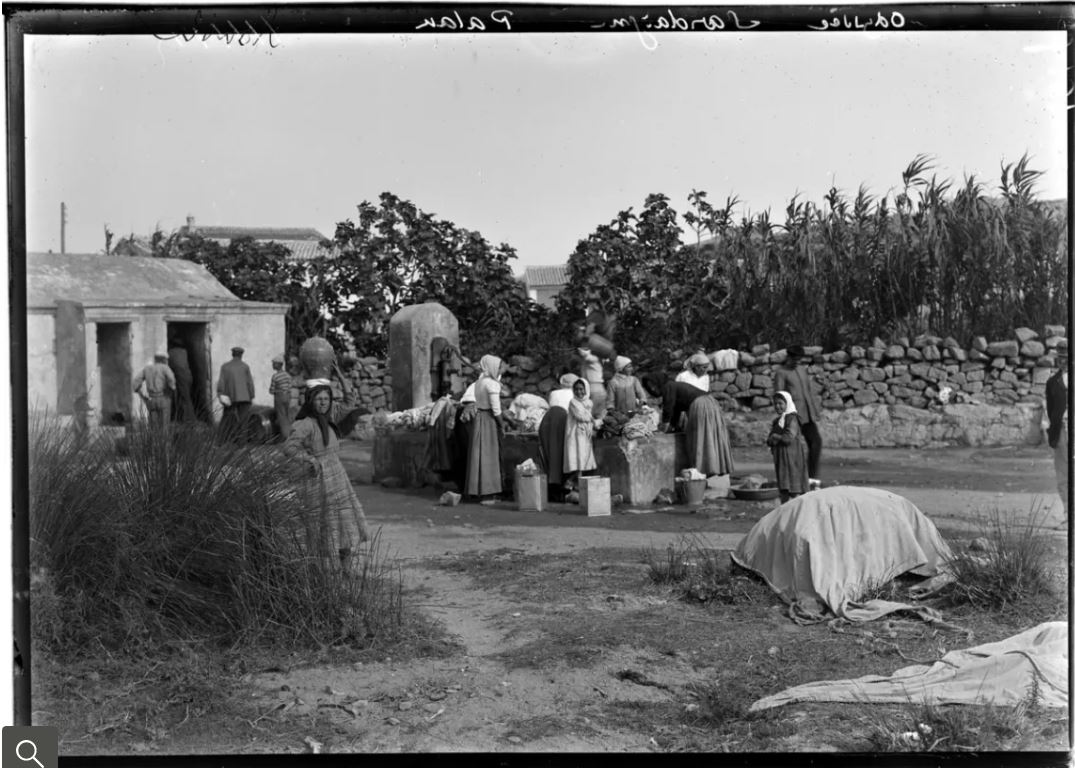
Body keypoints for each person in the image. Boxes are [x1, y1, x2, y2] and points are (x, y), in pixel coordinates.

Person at [283, 383, 370, 570]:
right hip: (319, 479)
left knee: (344, 519)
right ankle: (326, 573)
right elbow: (289, 447)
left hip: (338, 476)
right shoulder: (305, 424)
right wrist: (308, 459)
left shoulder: (330, 417)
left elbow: (349, 403)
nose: (323, 403)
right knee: (325, 522)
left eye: (326, 399)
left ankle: (346, 570)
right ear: (311, 401)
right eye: (319, 399)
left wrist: (341, 379)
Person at [774, 345, 823, 489]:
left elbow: (808, 391)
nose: (797, 362)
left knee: (816, 443)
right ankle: (793, 481)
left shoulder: (801, 370)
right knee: (793, 449)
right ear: (788, 357)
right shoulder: (781, 373)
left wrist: (814, 411)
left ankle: (811, 478)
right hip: (792, 416)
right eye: (795, 359)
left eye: (799, 359)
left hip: (807, 415)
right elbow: (779, 396)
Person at [466, 355, 505, 504]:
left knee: (478, 455)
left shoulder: (479, 382)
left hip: (479, 418)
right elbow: (496, 409)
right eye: (499, 366)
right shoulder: (492, 385)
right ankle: (488, 494)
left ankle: (477, 491)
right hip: (488, 420)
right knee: (489, 456)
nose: (500, 369)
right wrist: (502, 426)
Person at [766, 391, 810, 503]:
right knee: (784, 484)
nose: (777, 406)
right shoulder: (778, 421)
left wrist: (775, 436)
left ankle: (797, 507)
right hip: (781, 457)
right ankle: (785, 508)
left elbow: (788, 437)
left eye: (781, 403)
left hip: (792, 456)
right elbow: (769, 440)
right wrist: (773, 438)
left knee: (794, 482)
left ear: (788, 404)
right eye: (775, 404)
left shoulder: (792, 419)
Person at [539, 373, 577, 502]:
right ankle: (564, 489)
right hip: (562, 423)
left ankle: (553, 489)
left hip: (548, 422)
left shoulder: (553, 393)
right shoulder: (574, 394)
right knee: (562, 457)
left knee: (551, 456)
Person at [684, 390, 734, 479]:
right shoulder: (712, 401)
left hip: (699, 406)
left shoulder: (671, 389)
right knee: (713, 436)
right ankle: (716, 467)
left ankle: (701, 469)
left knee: (700, 436)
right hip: (711, 404)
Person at [1046, 338, 1069, 526]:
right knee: (1063, 474)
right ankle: (1069, 514)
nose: (1063, 360)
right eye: (1060, 357)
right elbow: (1050, 409)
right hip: (1061, 431)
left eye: (1067, 356)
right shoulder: (1052, 382)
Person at [217, 346, 255, 444]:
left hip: (230, 397)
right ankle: (242, 442)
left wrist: (221, 393)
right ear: (241, 355)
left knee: (226, 419)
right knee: (243, 421)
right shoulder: (245, 367)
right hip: (245, 397)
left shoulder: (225, 367)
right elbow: (249, 383)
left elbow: (221, 382)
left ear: (232, 354)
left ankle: (221, 441)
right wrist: (251, 395)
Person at [564, 378, 597, 487]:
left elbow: (588, 417)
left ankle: (576, 485)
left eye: (581, 389)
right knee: (578, 460)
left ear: (586, 389)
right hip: (575, 434)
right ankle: (572, 484)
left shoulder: (589, 403)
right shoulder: (573, 402)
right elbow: (580, 416)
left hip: (585, 434)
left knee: (584, 459)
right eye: (576, 389)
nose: (579, 392)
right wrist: (593, 420)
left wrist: (592, 421)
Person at [134, 353, 176, 428]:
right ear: (164, 359)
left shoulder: (147, 369)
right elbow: (171, 380)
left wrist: (142, 395)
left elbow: (136, 382)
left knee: (153, 427)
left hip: (151, 399)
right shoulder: (165, 368)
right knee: (164, 426)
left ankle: (154, 439)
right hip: (163, 398)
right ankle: (164, 440)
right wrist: (170, 391)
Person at [577, 342, 609, 420]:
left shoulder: (594, 358)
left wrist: (580, 348)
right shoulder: (593, 360)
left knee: (591, 416)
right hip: (597, 390)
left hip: (594, 390)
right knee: (598, 416)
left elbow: (586, 356)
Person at [167, 338, 195, 423]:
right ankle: (184, 418)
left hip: (180, 378)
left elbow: (171, 366)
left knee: (183, 399)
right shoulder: (184, 351)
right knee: (186, 398)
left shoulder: (170, 353)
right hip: (188, 377)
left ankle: (189, 419)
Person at [268, 355, 292, 441]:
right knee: (286, 415)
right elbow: (290, 387)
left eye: (274, 364)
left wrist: (275, 391)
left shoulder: (275, 376)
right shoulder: (287, 375)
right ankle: (288, 433)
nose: (273, 365)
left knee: (281, 416)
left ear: (278, 365)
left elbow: (271, 390)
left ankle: (285, 436)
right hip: (287, 396)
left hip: (279, 397)